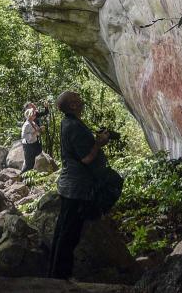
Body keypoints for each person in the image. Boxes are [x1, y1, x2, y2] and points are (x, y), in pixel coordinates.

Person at [48, 90, 110, 280]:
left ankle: (56, 274)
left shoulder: (68, 123)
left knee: (64, 231)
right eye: (77, 98)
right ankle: (60, 277)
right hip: (77, 187)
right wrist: (99, 143)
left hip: (71, 185)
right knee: (69, 234)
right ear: (73, 106)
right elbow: (86, 158)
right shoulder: (74, 126)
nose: (81, 100)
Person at [21, 102, 42, 172]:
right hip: (28, 145)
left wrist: (40, 130)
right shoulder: (26, 124)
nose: (35, 115)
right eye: (33, 114)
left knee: (33, 162)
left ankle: (30, 179)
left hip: (34, 143)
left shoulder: (33, 122)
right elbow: (23, 136)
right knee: (28, 164)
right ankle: (20, 177)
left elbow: (37, 132)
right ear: (30, 116)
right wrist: (34, 133)